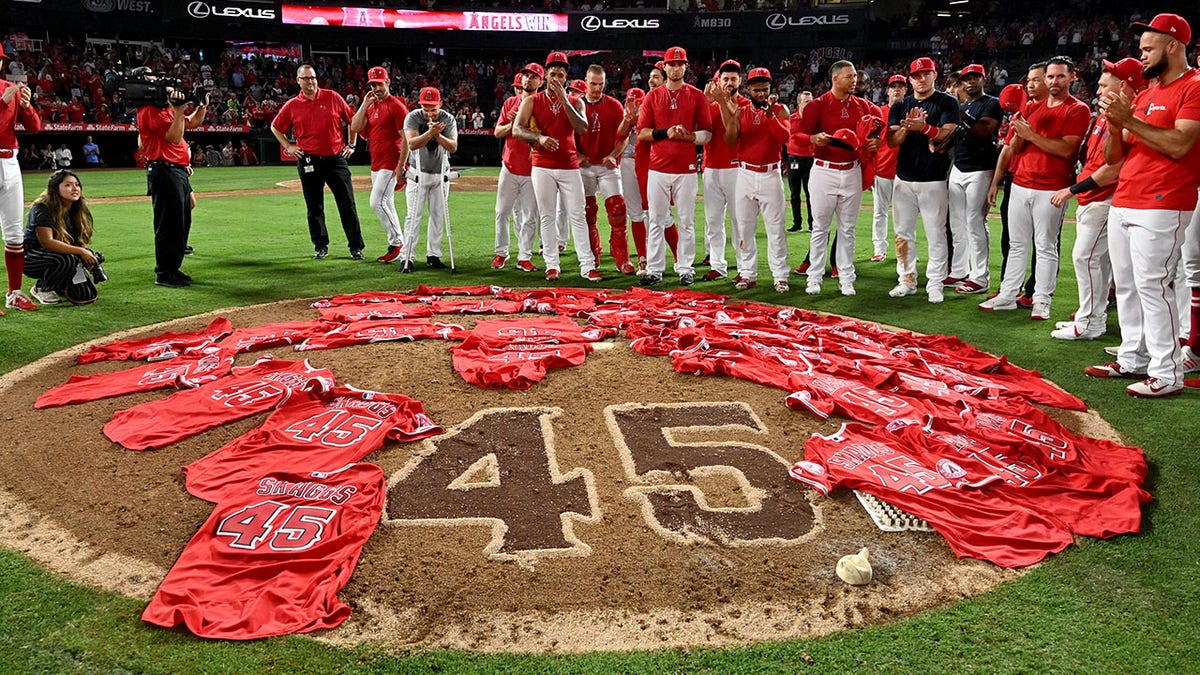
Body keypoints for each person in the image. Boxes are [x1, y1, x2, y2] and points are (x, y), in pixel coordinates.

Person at [1086, 13, 1200, 398]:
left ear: (1174, 46)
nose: (1142, 56)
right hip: (1126, 197)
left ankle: (1167, 373)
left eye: (1149, 49)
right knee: (1128, 285)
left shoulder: (1194, 86)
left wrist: (1129, 121)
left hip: (1163, 200)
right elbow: (1114, 157)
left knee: (1154, 285)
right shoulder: (1146, 94)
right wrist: (1114, 124)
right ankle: (1133, 356)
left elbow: (1180, 145)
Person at [979, 56, 1089, 319]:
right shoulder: (1030, 107)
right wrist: (1019, 135)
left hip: (1052, 187)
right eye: (1050, 76)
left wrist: (1031, 135)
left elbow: (1067, 150)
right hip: (1020, 183)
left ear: (1072, 77)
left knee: (1045, 245)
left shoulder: (1078, 109)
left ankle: (1041, 300)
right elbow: (1013, 147)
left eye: (1060, 76)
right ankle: (1008, 294)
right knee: (1017, 244)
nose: (1054, 81)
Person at [1046, 59, 1141, 341]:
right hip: (1093, 196)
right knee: (1097, 261)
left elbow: (1114, 167)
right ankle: (1090, 317)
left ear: (1122, 86)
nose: (1098, 90)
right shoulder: (1104, 115)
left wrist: (1072, 189)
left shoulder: (1130, 115)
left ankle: (1091, 322)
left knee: (1086, 258)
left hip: (1105, 195)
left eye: (1103, 85)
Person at [513, 51, 601, 282]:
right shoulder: (532, 101)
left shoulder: (575, 101)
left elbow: (582, 128)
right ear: (546, 76)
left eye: (561, 75)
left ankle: (587, 265)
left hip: (569, 165)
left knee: (578, 215)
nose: (556, 78)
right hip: (542, 164)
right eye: (553, 74)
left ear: (566, 77)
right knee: (547, 216)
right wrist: (539, 138)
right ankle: (552, 265)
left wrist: (564, 100)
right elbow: (517, 129)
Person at [795, 59, 880, 296]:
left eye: (855, 77)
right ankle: (814, 277)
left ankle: (846, 278)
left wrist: (876, 141)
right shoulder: (818, 105)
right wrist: (813, 139)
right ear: (835, 78)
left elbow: (878, 128)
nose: (854, 80)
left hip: (852, 170)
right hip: (824, 170)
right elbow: (796, 135)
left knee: (848, 229)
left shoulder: (863, 105)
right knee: (820, 227)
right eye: (849, 76)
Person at [636, 46, 713, 287]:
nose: (676, 68)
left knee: (686, 220)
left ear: (686, 67)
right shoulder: (653, 96)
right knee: (656, 220)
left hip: (685, 169)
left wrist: (688, 136)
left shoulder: (696, 96)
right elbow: (642, 133)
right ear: (665, 67)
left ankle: (686, 268)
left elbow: (707, 134)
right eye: (672, 64)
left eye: (680, 64)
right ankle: (654, 269)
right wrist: (666, 133)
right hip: (658, 168)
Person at [270, 64, 365, 261]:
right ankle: (321, 245)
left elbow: (353, 120)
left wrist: (352, 145)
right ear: (298, 81)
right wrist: (288, 146)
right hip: (309, 159)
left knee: (347, 203)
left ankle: (356, 246)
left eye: (313, 77)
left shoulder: (332, 97)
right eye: (306, 78)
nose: (310, 81)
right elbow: (275, 127)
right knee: (314, 206)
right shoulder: (292, 105)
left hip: (335, 158)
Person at [886, 57, 961, 303]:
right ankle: (906, 279)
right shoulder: (900, 105)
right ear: (910, 79)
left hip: (934, 178)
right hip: (904, 178)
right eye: (916, 75)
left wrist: (925, 128)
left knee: (936, 233)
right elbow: (891, 140)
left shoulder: (947, 101)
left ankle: (935, 282)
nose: (921, 79)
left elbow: (950, 133)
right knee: (902, 233)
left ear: (934, 75)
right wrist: (908, 128)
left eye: (926, 74)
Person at [721, 67, 791, 292]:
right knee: (744, 228)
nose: (761, 94)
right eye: (757, 90)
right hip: (745, 174)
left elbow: (784, 138)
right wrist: (731, 114)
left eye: (765, 89)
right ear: (748, 90)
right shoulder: (741, 112)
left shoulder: (780, 109)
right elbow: (730, 141)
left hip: (770, 174)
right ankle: (747, 273)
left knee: (776, 229)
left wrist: (770, 116)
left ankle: (780, 275)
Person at [137, 84, 208, 288]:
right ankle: (165, 273)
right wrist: (178, 110)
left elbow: (191, 123)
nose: (169, 92)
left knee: (180, 220)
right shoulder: (150, 110)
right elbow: (174, 137)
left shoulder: (164, 109)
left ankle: (172, 268)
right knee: (169, 223)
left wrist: (202, 106)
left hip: (176, 170)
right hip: (165, 170)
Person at [947, 64, 1003, 295]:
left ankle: (980, 278)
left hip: (981, 168)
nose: (971, 81)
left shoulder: (991, 103)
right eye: (966, 78)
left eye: (975, 77)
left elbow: (984, 130)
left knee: (975, 221)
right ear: (961, 83)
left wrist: (959, 113)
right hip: (959, 166)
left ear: (983, 79)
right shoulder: (961, 105)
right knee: (957, 223)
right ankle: (960, 270)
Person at [350, 65, 410, 264]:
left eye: (379, 84)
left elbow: (406, 138)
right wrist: (363, 104)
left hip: (391, 161)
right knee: (387, 203)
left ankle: (397, 244)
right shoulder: (371, 105)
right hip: (376, 161)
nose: (376, 88)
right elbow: (355, 127)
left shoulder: (396, 106)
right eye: (373, 85)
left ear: (387, 82)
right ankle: (399, 247)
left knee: (376, 202)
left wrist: (401, 165)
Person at [578, 64, 634, 275]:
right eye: (593, 84)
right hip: (584, 166)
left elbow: (624, 136)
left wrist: (614, 154)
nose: (597, 88)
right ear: (585, 82)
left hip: (607, 165)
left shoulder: (614, 105)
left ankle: (622, 258)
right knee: (587, 212)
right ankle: (593, 255)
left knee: (618, 208)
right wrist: (577, 155)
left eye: (600, 84)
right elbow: (565, 135)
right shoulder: (575, 105)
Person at [399, 86, 458, 272]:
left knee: (438, 215)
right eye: (426, 109)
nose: (430, 114)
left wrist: (438, 135)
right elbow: (412, 144)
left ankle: (434, 255)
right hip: (418, 173)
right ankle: (407, 256)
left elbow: (453, 147)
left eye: (433, 109)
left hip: (440, 173)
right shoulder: (413, 117)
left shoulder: (448, 119)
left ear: (440, 104)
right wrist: (430, 133)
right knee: (413, 216)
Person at [1, 47, 41, 313]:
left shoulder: (9, 88)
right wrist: (2, 103)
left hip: (10, 161)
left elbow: (35, 128)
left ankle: (14, 293)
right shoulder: (6, 93)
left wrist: (26, 107)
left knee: (15, 235)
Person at [23, 170, 101, 305]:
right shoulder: (42, 208)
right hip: (31, 257)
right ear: (55, 188)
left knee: (85, 295)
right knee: (66, 259)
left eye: (77, 184)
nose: (75, 188)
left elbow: (78, 241)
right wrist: (81, 252)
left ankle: (60, 283)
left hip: (60, 255)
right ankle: (41, 288)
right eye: (68, 185)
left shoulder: (77, 208)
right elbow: (47, 242)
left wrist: (88, 258)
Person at [491, 64, 542, 272]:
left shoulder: (543, 105)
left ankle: (524, 256)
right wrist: (513, 125)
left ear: (541, 81)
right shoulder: (510, 103)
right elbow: (497, 132)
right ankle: (501, 253)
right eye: (525, 75)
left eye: (533, 76)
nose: (528, 79)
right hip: (510, 166)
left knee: (529, 216)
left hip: (533, 169)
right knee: (501, 212)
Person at [700, 60, 745, 283]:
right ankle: (717, 265)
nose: (729, 83)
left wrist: (721, 102)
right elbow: (696, 127)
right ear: (718, 81)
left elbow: (733, 131)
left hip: (737, 168)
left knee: (740, 222)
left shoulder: (745, 104)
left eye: (733, 79)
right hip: (711, 167)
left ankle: (744, 267)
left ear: (740, 80)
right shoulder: (709, 104)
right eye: (725, 79)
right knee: (713, 221)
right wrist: (706, 101)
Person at [871, 75, 906, 262]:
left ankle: (905, 250)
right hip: (882, 170)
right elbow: (870, 143)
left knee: (905, 215)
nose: (897, 89)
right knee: (880, 212)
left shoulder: (911, 113)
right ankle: (879, 248)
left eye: (900, 86)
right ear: (888, 90)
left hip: (906, 172)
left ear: (906, 90)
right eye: (894, 87)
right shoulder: (879, 113)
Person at [786, 90, 815, 233]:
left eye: (811, 102)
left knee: (811, 194)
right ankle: (797, 223)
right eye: (806, 102)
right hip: (794, 159)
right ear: (799, 103)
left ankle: (812, 224)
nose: (810, 105)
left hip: (810, 159)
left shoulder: (815, 120)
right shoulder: (791, 119)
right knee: (794, 193)